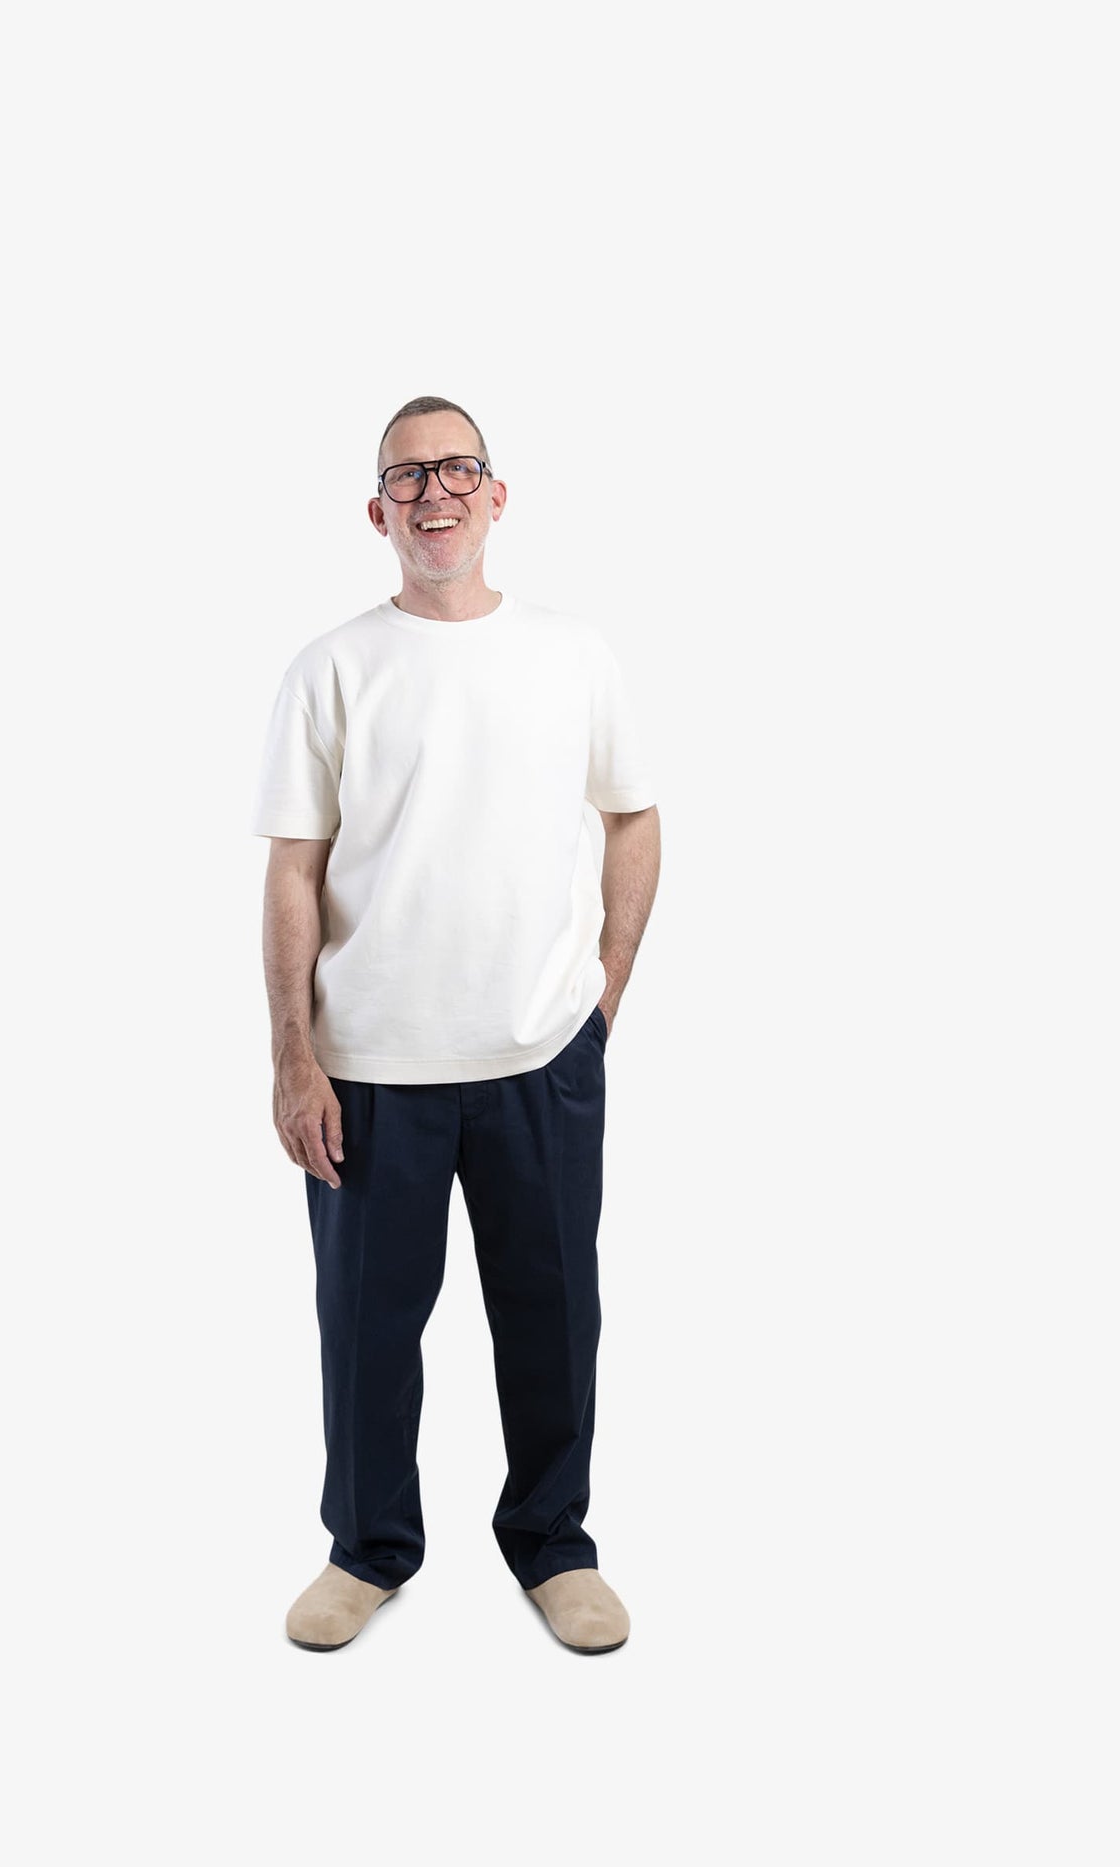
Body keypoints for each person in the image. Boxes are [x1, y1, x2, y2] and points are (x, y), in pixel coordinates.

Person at [249, 395, 661, 1653]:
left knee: (552, 1316)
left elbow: (633, 817)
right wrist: (293, 1057)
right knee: (365, 1330)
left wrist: (603, 990)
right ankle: (366, 1548)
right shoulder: (330, 667)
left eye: (457, 469)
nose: (435, 493)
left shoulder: (572, 655)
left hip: (539, 1053)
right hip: (370, 1062)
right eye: (407, 476)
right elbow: (291, 870)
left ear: (497, 494)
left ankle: (553, 1543)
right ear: (376, 510)